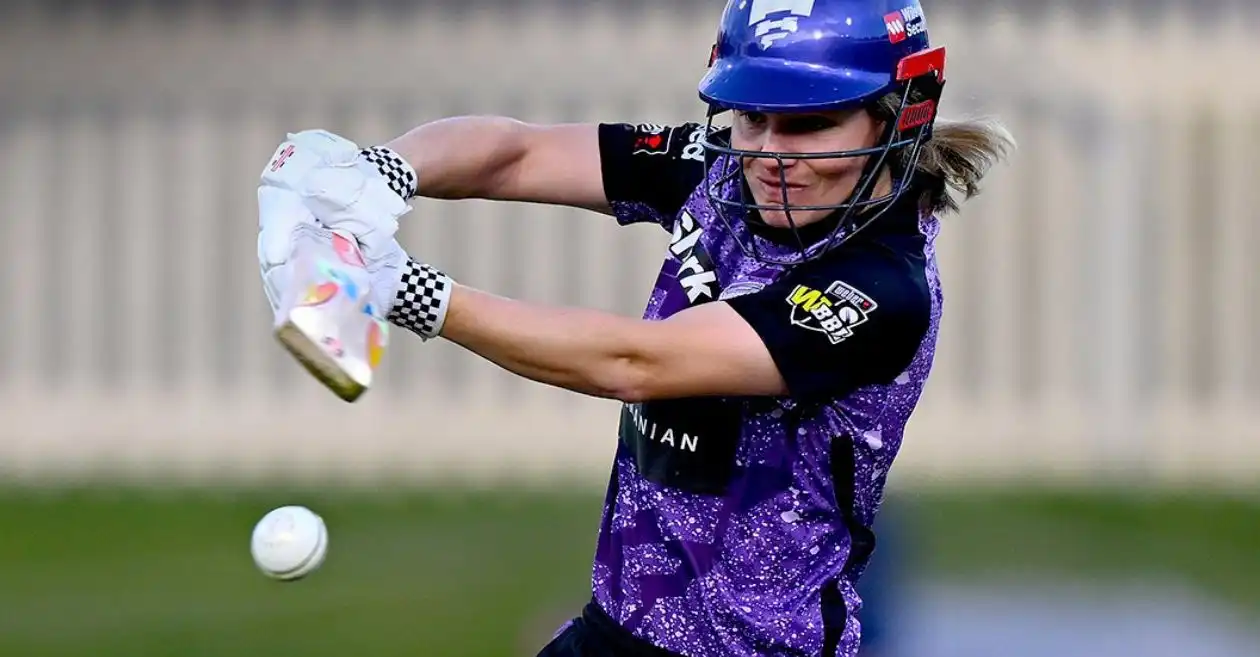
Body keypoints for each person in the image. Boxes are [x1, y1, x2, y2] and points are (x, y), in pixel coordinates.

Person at [255, 1, 1013, 655]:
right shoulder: (722, 169)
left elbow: (638, 362)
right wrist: (377, 175)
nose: (772, 155)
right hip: (615, 630)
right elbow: (519, 153)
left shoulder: (881, 290)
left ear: (900, 114)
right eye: (754, 117)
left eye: (811, 125)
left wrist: (404, 290)